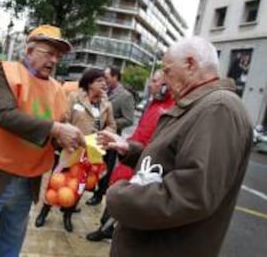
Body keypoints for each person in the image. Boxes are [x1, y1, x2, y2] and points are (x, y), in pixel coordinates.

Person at [98, 37, 253, 257]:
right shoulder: (200, 105)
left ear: (191, 64)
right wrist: (131, 152)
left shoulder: (218, 108)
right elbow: (170, 162)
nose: (164, 81)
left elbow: (191, 194)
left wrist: (119, 197)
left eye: (167, 71)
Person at [0, 25, 86, 257]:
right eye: (48, 53)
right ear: (30, 50)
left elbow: (53, 130)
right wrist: (55, 129)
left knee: (10, 247)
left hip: (27, 180)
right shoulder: (5, 72)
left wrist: (65, 141)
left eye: (58, 56)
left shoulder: (57, 89)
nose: (53, 60)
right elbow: (3, 114)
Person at [86, 69, 174, 242]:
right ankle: (106, 225)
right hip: (131, 153)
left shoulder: (170, 107)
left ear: (165, 85)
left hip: (144, 160)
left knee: (125, 196)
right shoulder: (153, 103)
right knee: (115, 187)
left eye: (155, 81)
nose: (151, 84)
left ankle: (108, 228)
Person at [34, 68, 116, 232]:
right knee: (56, 182)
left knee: (78, 185)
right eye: (100, 81)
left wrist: (105, 134)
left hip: (90, 152)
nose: (104, 84)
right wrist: (67, 137)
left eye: (104, 81)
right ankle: (44, 212)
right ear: (90, 83)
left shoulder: (107, 105)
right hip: (70, 149)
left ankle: (68, 215)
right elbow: (64, 119)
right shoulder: (74, 97)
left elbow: (112, 125)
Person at [86, 66, 135, 206]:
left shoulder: (125, 96)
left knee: (105, 168)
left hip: (111, 139)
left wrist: (108, 123)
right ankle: (88, 187)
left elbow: (129, 119)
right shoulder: (101, 92)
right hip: (95, 137)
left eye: (106, 78)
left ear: (115, 77)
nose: (104, 81)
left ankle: (99, 194)